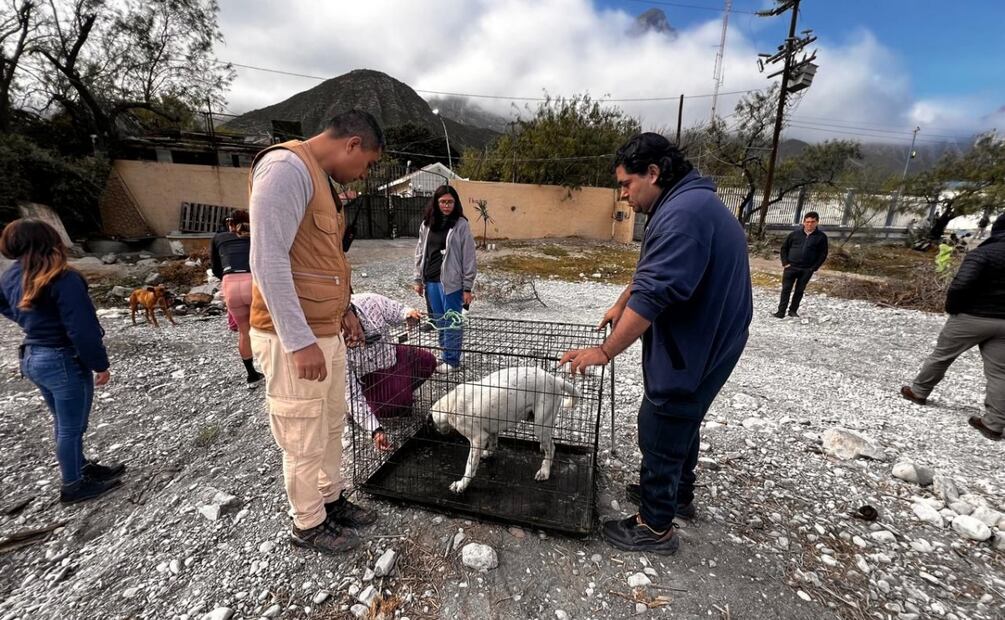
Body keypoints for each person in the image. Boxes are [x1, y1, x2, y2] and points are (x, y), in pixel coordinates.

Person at [560, 133, 752, 555]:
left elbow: (656, 292)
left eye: (627, 184)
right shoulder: (687, 203)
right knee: (684, 418)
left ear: (654, 172)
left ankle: (655, 526)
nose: (624, 195)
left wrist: (604, 351)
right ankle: (678, 494)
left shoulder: (682, 214)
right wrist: (620, 301)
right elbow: (652, 272)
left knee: (662, 419)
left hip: (699, 341)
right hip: (715, 333)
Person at [248, 109, 384, 555]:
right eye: (365, 164)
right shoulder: (286, 167)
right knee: (302, 434)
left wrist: (345, 309)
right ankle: (307, 523)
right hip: (296, 337)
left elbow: (322, 261)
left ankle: (330, 500)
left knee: (328, 426)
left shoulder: (320, 179)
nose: (360, 174)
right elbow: (267, 260)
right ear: (352, 145)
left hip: (326, 331)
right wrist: (299, 339)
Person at [0, 219, 125, 504]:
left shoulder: (11, 275)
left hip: (33, 356)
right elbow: (83, 329)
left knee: (63, 422)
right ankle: (73, 485)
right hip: (61, 358)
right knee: (72, 426)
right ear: (51, 240)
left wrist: (27, 320)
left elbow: (3, 303)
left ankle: (81, 467)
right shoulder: (63, 277)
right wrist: (99, 364)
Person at [900, 213, 1005, 441]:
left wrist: (953, 309)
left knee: (942, 356)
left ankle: (919, 392)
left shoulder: (984, 253)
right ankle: (994, 424)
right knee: (1000, 373)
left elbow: (962, 284)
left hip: (972, 316)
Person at [344, 293, 436, 451]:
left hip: (391, 355)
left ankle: (402, 390)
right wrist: (376, 430)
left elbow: (397, 310)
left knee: (428, 360)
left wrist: (408, 314)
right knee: (396, 402)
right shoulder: (332, 344)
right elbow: (351, 393)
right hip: (368, 376)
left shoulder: (368, 301)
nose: (353, 335)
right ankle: (367, 410)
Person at [412, 185, 477, 373]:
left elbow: (469, 256)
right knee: (439, 320)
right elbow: (420, 252)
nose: (446, 205)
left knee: (452, 321)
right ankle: (446, 354)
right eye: (442, 202)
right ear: (436, 202)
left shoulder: (460, 225)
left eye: (450, 202)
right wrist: (418, 279)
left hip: (452, 282)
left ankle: (452, 360)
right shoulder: (427, 224)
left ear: (455, 203)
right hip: (431, 280)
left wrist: (467, 287)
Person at [210, 209, 263, 388]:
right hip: (253, 282)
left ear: (229, 223)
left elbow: (216, 268)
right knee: (266, 328)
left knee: (244, 331)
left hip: (230, 283)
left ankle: (252, 376)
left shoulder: (219, 238)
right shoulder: (258, 236)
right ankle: (272, 368)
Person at [774, 212, 828, 318]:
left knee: (799, 291)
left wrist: (814, 268)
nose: (809, 224)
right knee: (786, 289)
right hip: (791, 267)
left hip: (807, 269)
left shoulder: (821, 237)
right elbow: (784, 248)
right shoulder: (794, 234)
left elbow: (823, 254)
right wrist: (785, 263)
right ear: (803, 222)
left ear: (817, 222)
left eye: (812, 222)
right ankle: (781, 312)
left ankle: (793, 311)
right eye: (807, 222)